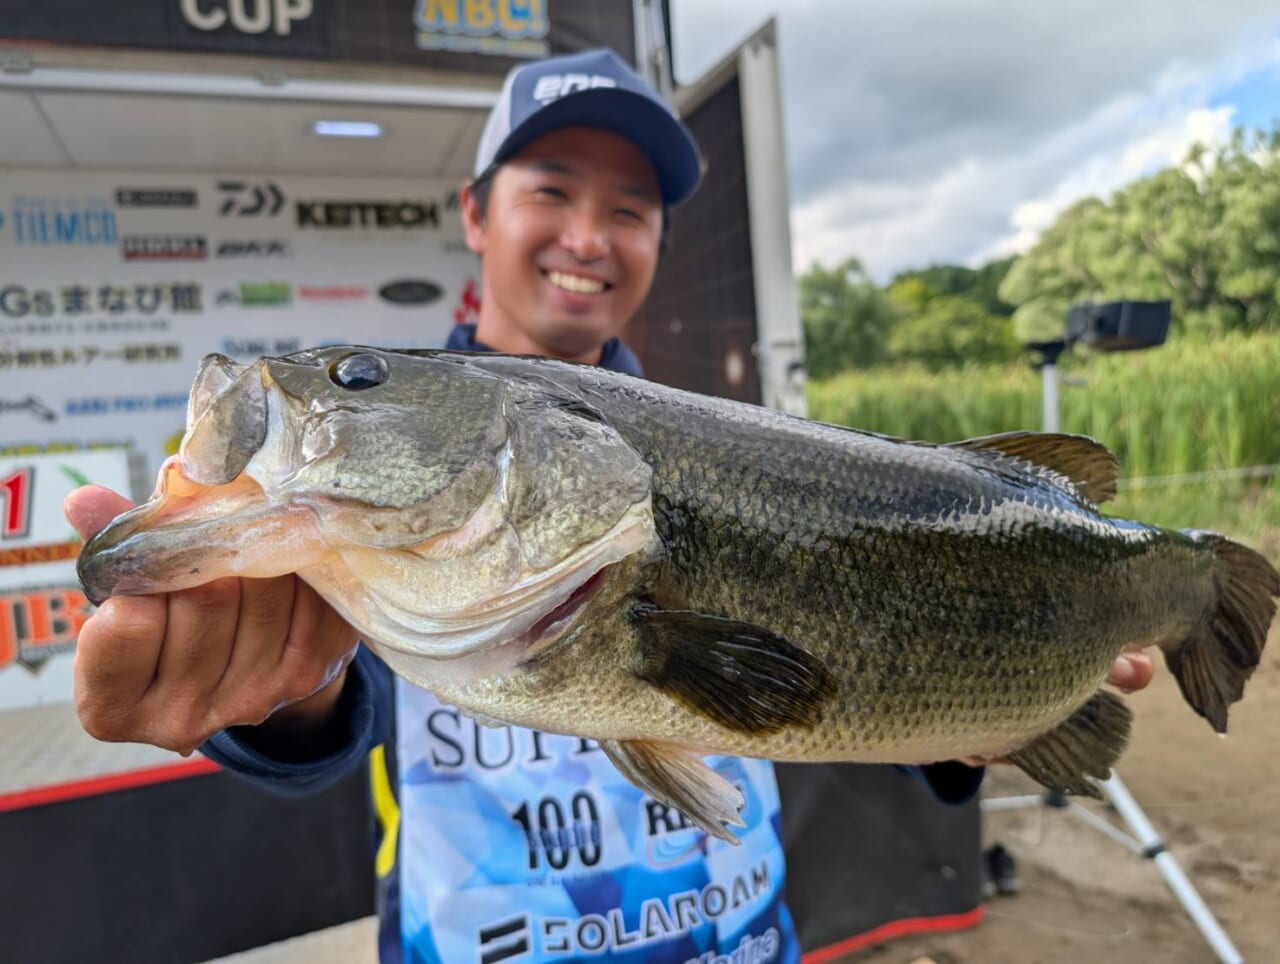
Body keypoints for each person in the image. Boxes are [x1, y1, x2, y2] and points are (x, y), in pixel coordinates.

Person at [65, 47, 1154, 964]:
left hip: (740, 934)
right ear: (473, 211)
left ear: (656, 245)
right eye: (550, 188)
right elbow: (320, 724)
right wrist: (272, 693)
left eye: (628, 208)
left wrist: (979, 709)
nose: (588, 236)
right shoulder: (368, 503)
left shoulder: (743, 436)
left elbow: (824, 676)